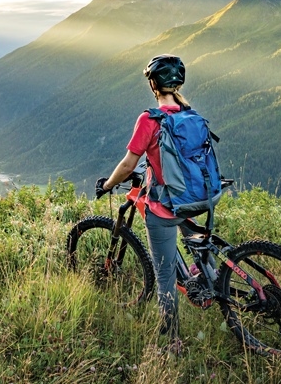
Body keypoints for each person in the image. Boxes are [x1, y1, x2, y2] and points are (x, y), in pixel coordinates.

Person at [95, 54, 199, 353]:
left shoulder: (151, 119)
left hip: (166, 206)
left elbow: (129, 164)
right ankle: (210, 278)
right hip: (195, 197)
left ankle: (170, 343)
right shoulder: (190, 114)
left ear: (153, 84)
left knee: (165, 275)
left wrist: (108, 185)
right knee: (197, 248)